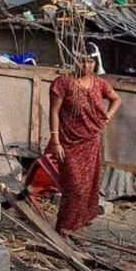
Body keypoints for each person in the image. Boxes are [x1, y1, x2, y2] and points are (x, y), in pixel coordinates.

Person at [47, 51, 121, 235]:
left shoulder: (99, 84)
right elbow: (54, 112)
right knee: (74, 187)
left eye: (90, 62)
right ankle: (64, 227)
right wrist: (55, 141)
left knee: (90, 185)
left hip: (92, 142)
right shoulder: (63, 83)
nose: (86, 65)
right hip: (69, 143)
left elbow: (116, 99)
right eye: (82, 61)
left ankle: (78, 224)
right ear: (74, 62)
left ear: (95, 64)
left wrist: (106, 118)